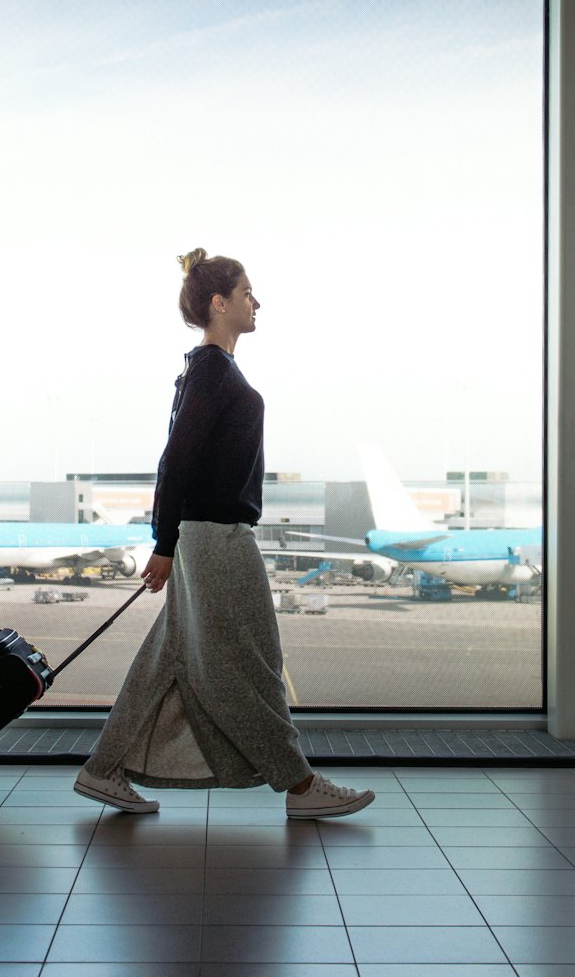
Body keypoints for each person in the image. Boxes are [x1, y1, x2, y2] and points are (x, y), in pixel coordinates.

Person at [74, 249, 374, 819]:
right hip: (214, 538)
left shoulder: (213, 370)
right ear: (219, 302)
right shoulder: (211, 370)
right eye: (246, 293)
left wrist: (170, 541)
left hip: (208, 535)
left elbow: (181, 461)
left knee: (170, 658)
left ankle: (101, 770)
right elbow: (176, 460)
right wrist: (164, 544)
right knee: (251, 660)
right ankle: (300, 786)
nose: (256, 302)